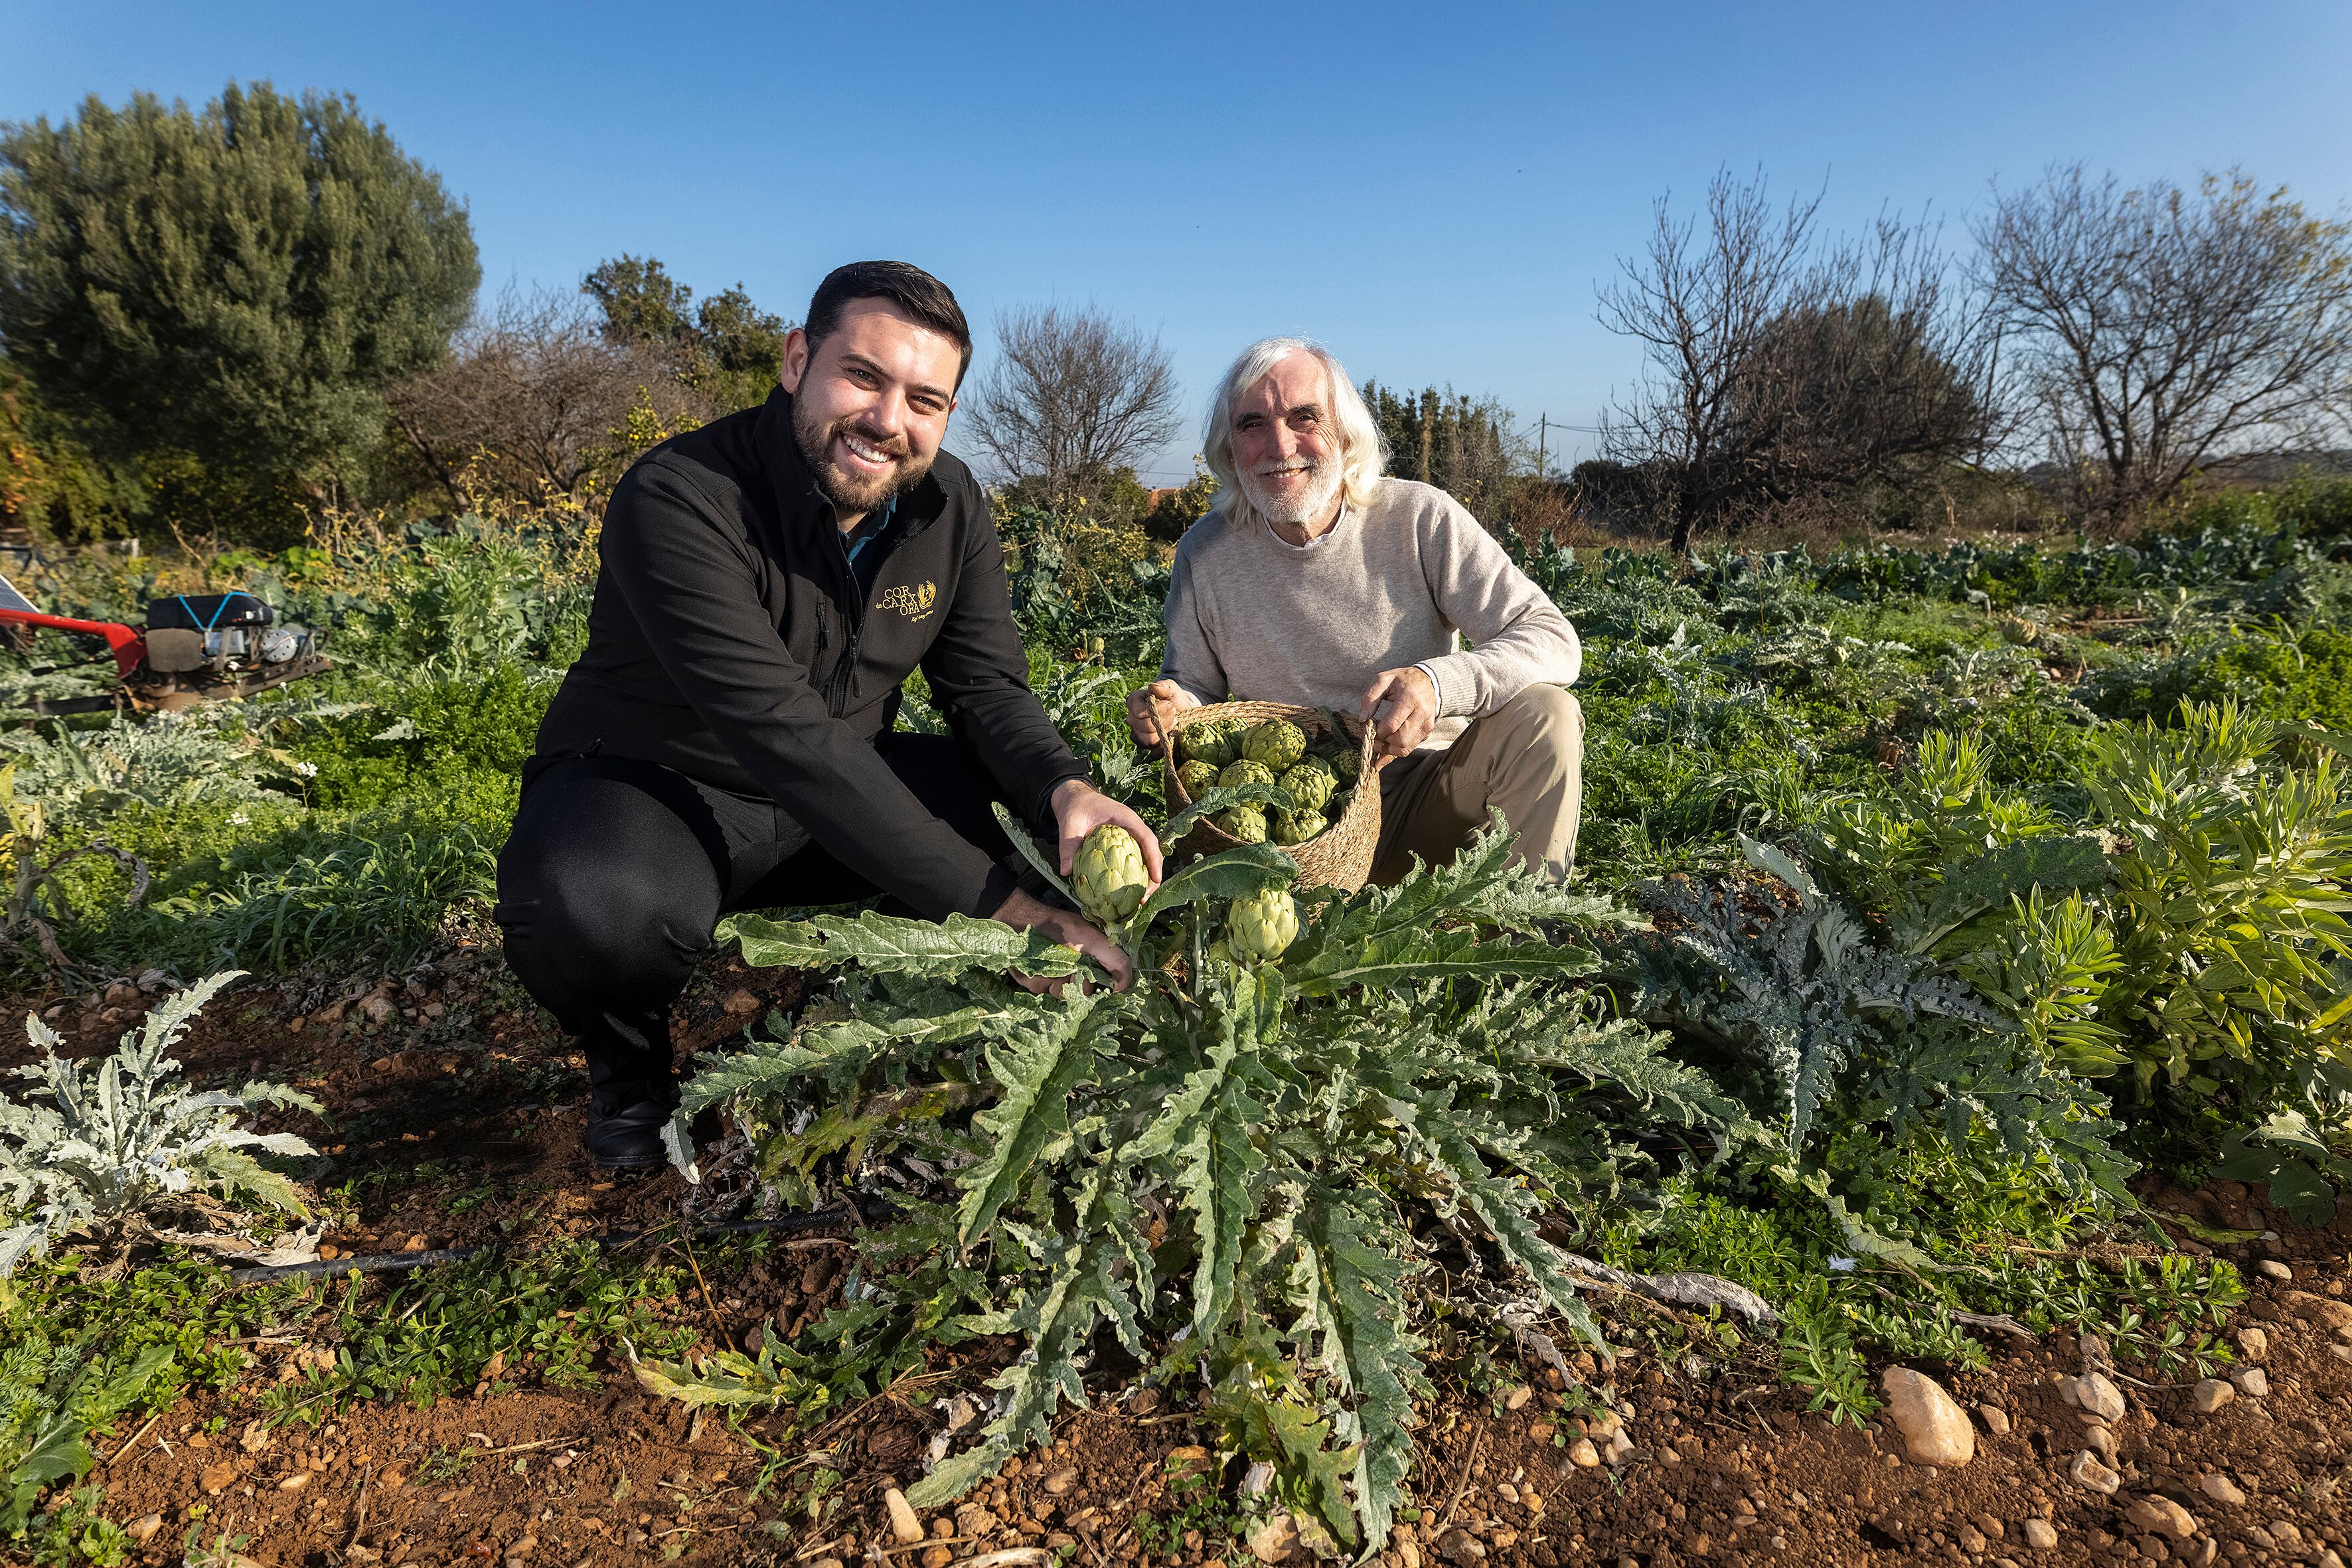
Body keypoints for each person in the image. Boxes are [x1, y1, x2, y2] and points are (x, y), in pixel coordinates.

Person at [497, 261, 1159, 1170]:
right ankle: (631, 1078)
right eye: (863, 376)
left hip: (841, 795)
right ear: (797, 359)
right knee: (592, 905)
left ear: (947, 414)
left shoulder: (950, 506)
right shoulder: (681, 495)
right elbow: (782, 733)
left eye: (923, 398)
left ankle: (970, 1033)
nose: (888, 420)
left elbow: (985, 687)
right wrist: (1001, 907)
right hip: (663, 789)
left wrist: (1064, 786)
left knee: (1037, 834)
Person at [1127, 337, 1583, 885]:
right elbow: (1193, 684)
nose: (1278, 444)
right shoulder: (1205, 552)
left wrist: (1437, 685)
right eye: (1252, 424)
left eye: (1304, 417)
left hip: (1426, 801)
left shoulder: (1419, 520)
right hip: (1288, 837)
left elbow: (1552, 638)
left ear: (1345, 435)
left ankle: (1513, 945)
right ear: (1228, 449)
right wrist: (1174, 706)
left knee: (1545, 717)